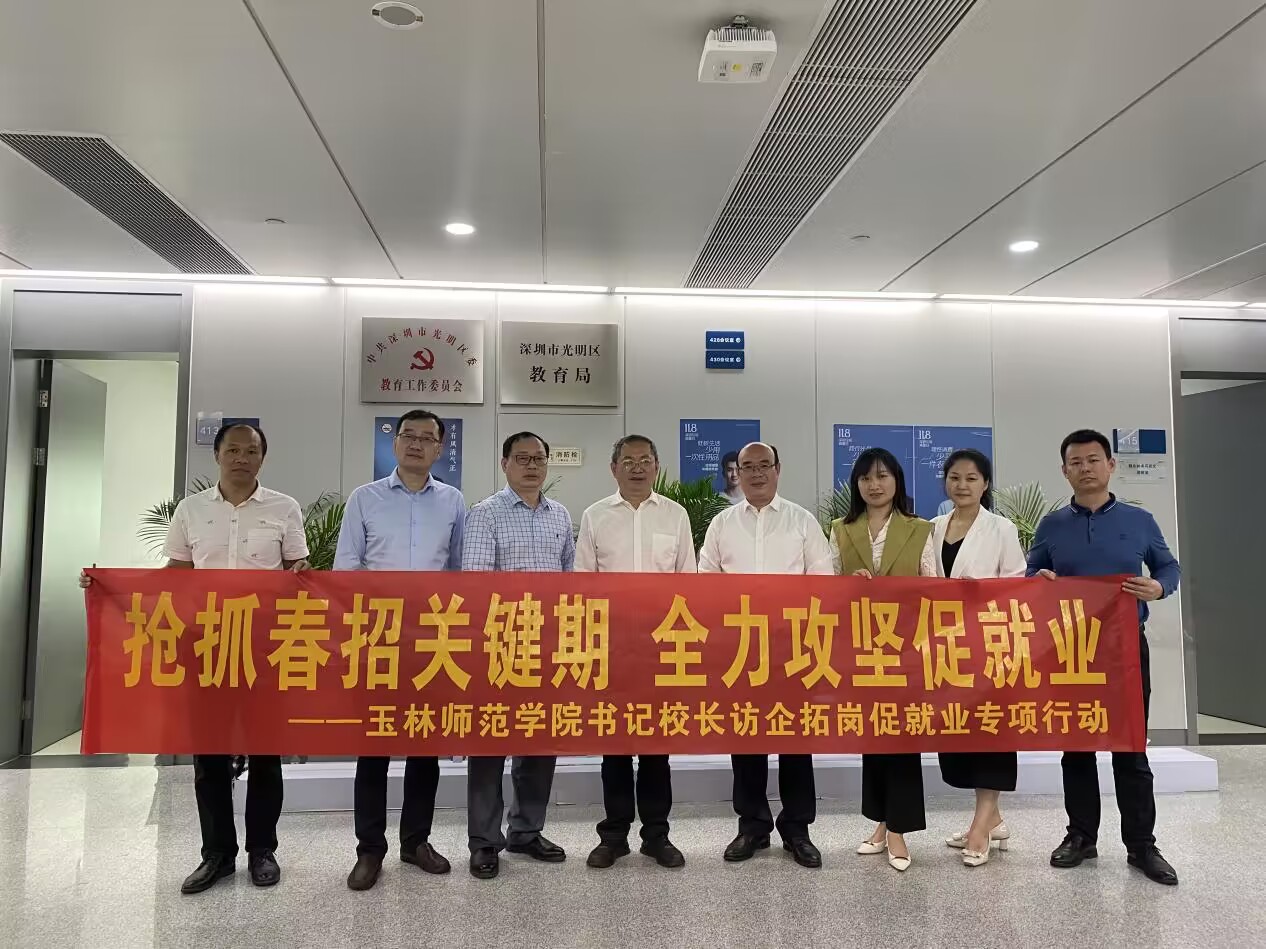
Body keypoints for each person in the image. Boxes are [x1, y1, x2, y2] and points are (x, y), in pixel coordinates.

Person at [81, 424, 308, 894]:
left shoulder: (284, 508)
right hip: (205, 647)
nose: (241, 458)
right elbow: (176, 574)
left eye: (251, 451)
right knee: (209, 755)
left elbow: (297, 573)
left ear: (263, 458)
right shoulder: (191, 510)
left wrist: (303, 575)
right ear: (217, 455)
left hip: (265, 647)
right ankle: (217, 855)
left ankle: (262, 851)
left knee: (267, 754)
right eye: (233, 450)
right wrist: (109, 585)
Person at [1028, 429, 1180, 886]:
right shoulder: (1051, 525)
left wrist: (1159, 587)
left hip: (1125, 647)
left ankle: (1141, 845)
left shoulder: (1139, 520)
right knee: (1076, 747)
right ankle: (1081, 836)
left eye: (1093, 460)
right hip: (1071, 649)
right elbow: (1031, 572)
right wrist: (1039, 580)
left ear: (1110, 465)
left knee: (1130, 748)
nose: (1085, 468)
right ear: (1064, 471)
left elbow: (1169, 567)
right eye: (1076, 462)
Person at [334, 409, 466, 891]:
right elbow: (346, 569)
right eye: (408, 435)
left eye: (426, 438)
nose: (416, 443)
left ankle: (416, 841)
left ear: (439, 448)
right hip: (378, 636)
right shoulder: (364, 498)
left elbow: (458, 572)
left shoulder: (452, 501)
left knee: (424, 747)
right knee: (374, 748)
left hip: (432, 639)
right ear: (395, 443)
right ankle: (370, 849)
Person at [699, 442, 833, 869]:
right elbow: (705, 582)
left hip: (792, 647)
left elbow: (823, 580)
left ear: (778, 469)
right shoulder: (722, 524)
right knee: (746, 739)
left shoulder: (802, 521)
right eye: (747, 467)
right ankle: (752, 826)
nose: (756, 473)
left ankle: (797, 829)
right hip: (740, 648)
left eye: (763, 466)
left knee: (796, 741)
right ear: (736, 473)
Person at [576, 435, 696, 870]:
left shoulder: (675, 514)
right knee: (615, 747)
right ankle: (613, 836)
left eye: (645, 460)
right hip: (613, 647)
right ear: (614, 468)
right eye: (628, 461)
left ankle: (657, 836)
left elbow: (688, 580)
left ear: (657, 466)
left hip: (662, 647)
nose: (637, 468)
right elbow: (582, 583)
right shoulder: (595, 516)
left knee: (656, 748)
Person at [462, 432, 575, 880]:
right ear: (504, 463)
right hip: (499, 644)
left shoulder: (559, 515)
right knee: (489, 746)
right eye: (522, 458)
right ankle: (484, 841)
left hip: (547, 647)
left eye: (539, 458)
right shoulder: (485, 514)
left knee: (538, 743)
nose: (531, 466)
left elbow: (570, 580)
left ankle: (527, 831)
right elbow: (475, 583)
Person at [829, 447, 935, 872]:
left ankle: (898, 831)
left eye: (883, 476)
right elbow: (824, 587)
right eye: (866, 478)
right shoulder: (840, 529)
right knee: (873, 735)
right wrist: (847, 584)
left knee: (902, 738)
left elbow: (933, 586)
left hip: (906, 646)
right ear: (856, 484)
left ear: (897, 481)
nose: (874, 485)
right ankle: (881, 821)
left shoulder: (920, 528)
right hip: (859, 647)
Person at [929, 449, 1026, 867]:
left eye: (971, 478)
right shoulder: (933, 527)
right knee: (961, 734)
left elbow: (1017, 583)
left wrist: (982, 591)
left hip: (991, 644)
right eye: (954, 477)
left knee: (992, 732)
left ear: (985, 484)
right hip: (947, 647)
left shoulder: (1001, 528)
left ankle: (980, 825)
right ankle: (995, 820)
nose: (962, 485)